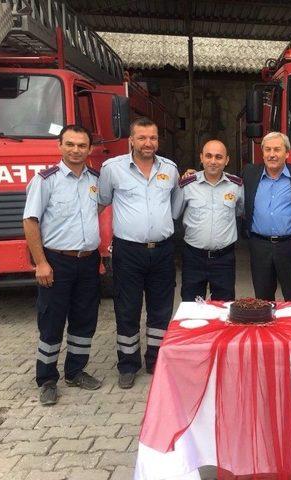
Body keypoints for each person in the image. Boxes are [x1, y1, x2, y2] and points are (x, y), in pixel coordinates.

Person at [23, 125, 102, 406]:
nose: (76, 150)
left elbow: (98, 210)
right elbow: (30, 221)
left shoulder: (96, 179)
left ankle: (76, 371)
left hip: (88, 261)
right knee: (52, 320)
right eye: (70, 144)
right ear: (60, 146)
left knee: (84, 318)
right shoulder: (46, 180)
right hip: (56, 261)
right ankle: (46, 380)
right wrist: (41, 262)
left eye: (82, 145)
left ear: (90, 149)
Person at [98, 117, 180, 389]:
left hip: (162, 251)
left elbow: (175, 206)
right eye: (142, 138)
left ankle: (155, 358)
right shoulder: (112, 169)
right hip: (128, 251)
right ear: (131, 140)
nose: (148, 143)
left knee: (160, 307)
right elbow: (102, 201)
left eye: (153, 138)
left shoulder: (170, 169)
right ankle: (128, 363)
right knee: (128, 307)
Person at [242, 132, 291, 301]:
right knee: (262, 301)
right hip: (259, 246)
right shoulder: (249, 173)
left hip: (289, 246)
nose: (272, 154)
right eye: (267, 149)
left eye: (277, 149)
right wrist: (192, 175)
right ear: (262, 153)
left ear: (287, 153)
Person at [175, 139, 243, 301]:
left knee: (224, 307)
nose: (213, 161)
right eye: (208, 156)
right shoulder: (187, 184)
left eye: (219, 157)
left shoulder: (236, 186)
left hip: (224, 259)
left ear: (227, 160)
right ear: (201, 158)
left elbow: (240, 211)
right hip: (193, 257)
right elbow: (175, 213)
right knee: (191, 307)